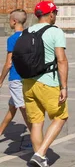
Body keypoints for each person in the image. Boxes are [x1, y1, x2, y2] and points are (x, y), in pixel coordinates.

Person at [22, 1, 69, 167]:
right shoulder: (55, 32)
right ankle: (41, 153)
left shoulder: (26, 32)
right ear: (50, 14)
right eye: (55, 12)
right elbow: (61, 60)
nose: (55, 15)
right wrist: (64, 86)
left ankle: (41, 160)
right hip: (48, 82)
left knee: (36, 122)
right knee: (60, 117)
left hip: (27, 83)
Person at [0, 9, 32, 144]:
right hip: (28, 78)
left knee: (23, 109)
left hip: (16, 78)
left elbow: (8, 63)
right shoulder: (30, 36)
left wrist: (0, 80)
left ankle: (36, 137)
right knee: (12, 107)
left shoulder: (12, 39)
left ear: (14, 21)